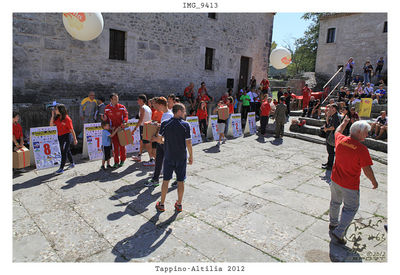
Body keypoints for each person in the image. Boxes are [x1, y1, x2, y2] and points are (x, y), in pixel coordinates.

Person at [329, 117, 378, 245]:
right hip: (350, 185)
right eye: (366, 132)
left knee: (335, 202)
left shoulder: (341, 139)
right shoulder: (361, 150)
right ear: (358, 132)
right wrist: (374, 182)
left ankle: (333, 223)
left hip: (335, 180)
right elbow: (367, 170)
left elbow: (337, 131)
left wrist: (344, 123)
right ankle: (339, 232)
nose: (367, 135)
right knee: (350, 209)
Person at [155, 103, 193, 213]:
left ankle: (162, 204)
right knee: (181, 180)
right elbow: (188, 142)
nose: (185, 113)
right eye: (184, 111)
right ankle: (179, 204)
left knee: (166, 180)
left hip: (168, 156)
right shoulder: (185, 125)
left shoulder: (165, 123)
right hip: (181, 157)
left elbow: (159, 139)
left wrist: (166, 143)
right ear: (179, 111)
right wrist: (191, 156)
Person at [146, 97, 174, 187]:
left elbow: (169, 131)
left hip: (165, 142)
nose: (156, 107)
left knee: (169, 161)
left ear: (161, 105)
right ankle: (155, 179)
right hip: (161, 141)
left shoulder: (168, 115)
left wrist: (156, 139)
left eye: (157, 105)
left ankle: (179, 178)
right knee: (158, 160)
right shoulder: (165, 114)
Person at [50, 104, 78, 174]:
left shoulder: (67, 119)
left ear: (60, 110)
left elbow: (72, 130)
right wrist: (53, 116)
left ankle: (61, 168)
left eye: (56, 109)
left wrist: (75, 139)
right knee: (67, 150)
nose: (55, 110)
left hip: (67, 136)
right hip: (60, 137)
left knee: (63, 152)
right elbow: (51, 125)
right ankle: (72, 163)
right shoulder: (57, 118)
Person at [104, 93, 129, 168]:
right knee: (115, 147)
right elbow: (106, 119)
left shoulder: (122, 107)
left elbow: (126, 116)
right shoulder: (107, 108)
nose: (116, 100)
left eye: (117, 99)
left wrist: (124, 122)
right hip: (113, 130)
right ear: (111, 100)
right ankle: (116, 162)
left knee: (122, 146)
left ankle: (122, 160)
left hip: (121, 129)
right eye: (115, 99)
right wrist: (108, 126)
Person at [132, 94, 154, 166]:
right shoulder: (147, 107)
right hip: (147, 126)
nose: (137, 101)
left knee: (147, 144)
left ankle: (151, 159)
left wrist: (134, 129)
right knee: (142, 142)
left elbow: (140, 119)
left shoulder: (142, 108)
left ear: (141, 100)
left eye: (138, 99)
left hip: (144, 126)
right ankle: (139, 155)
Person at [322, 103, 340, 170]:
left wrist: (327, 129)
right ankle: (328, 163)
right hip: (329, 135)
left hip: (332, 136)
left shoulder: (336, 117)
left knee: (331, 152)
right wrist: (327, 116)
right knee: (329, 151)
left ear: (334, 109)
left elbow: (334, 127)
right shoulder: (332, 116)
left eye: (330, 108)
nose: (329, 109)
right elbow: (327, 123)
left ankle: (330, 165)